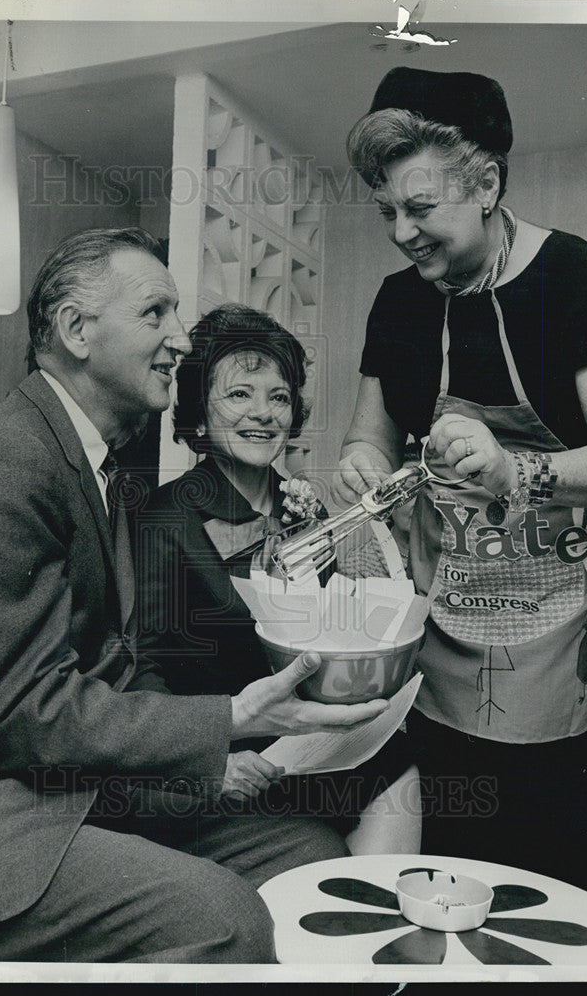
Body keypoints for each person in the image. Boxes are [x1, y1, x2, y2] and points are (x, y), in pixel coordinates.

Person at [0, 228, 392, 964]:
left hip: (84, 782)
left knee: (311, 852)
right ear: (76, 330)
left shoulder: (103, 469)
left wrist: (214, 760)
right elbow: (15, 718)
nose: (180, 340)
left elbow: (125, 669)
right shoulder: (6, 456)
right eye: (157, 314)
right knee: (228, 918)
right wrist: (234, 718)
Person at [334, 68, 587, 893]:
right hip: (440, 645)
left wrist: (514, 468)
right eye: (387, 212)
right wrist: (361, 468)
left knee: (546, 889)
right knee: (444, 879)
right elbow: (368, 437)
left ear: (486, 183)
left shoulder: (574, 278)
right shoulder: (399, 304)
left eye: (420, 210)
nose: (401, 234)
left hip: (560, 656)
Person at [134, 303, 421, 853]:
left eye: (279, 397)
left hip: (316, 745)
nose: (263, 413)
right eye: (240, 394)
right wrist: (209, 758)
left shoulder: (308, 510)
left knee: (400, 765)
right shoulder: (164, 519)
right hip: (233, 757)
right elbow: (141, 667)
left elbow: (331, 635)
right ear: (197, 411)